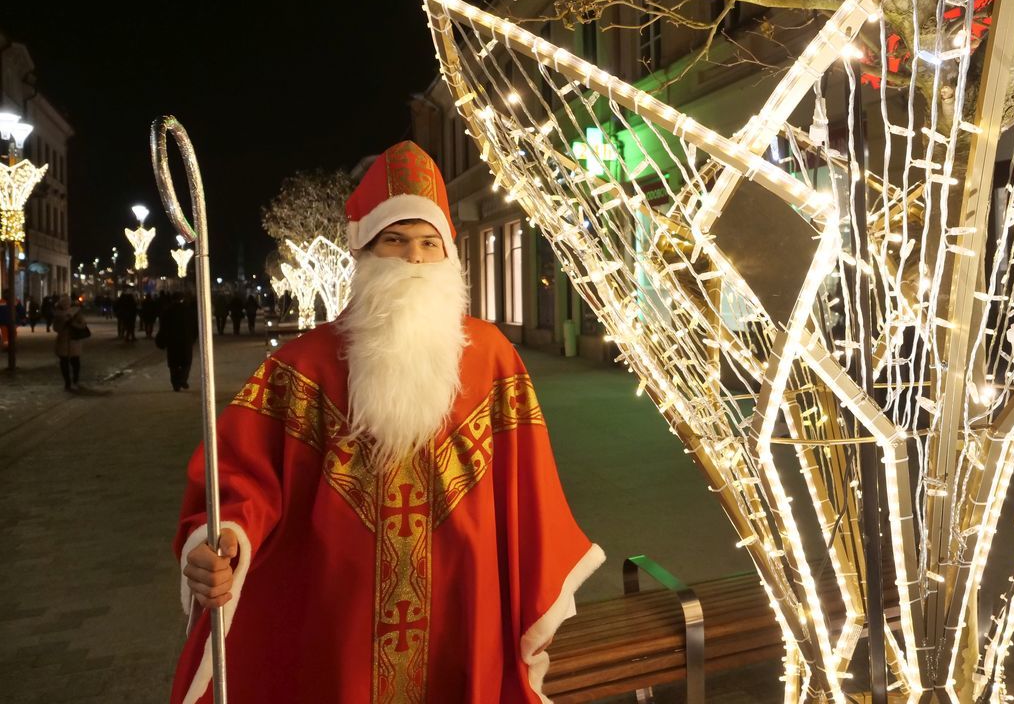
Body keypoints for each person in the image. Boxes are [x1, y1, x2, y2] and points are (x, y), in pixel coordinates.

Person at [172, 141, 602, 703]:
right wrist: (224, 536)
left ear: (448, 253)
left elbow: (529, 485)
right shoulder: (302, 366)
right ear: (366, 252)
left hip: (465, 606)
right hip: (336, 621)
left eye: (429, 243)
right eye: (394, 241)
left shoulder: (492, 358)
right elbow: (242, 475)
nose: (415, 259)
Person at [157, 291, 197, 391]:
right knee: (186, 362)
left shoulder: (167, 311)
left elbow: (163, 327)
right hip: (186, 340)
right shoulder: (188, 311)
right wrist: (193, 338)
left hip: (172, 341)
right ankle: (183, 378)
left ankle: (175, 383)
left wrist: (163, 339)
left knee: (173, 363)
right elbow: (195, 327)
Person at [52, 295, 88, 391]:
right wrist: (63, 323)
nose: (65, 305)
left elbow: (83, 324)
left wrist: (73, 323)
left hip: (73, 340)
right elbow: (56, 328)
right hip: (64, 341)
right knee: (65, 363)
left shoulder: (76, 312)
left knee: (74, 362)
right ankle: (68, 382)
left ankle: (74, 380)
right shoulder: (58, 314)